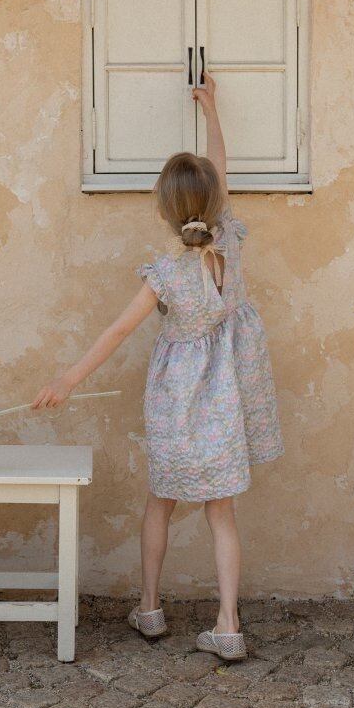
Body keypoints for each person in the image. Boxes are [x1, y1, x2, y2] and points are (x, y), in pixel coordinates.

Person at [31, 73, 283, 660]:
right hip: (227, 393)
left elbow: (118, 331)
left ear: (164, 211)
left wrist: (68, 379)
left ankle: (149, 608)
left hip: (179, 398)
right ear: (215, 202)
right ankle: (228, 624)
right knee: (222, 511)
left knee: (161, 499)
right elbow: (219, 167)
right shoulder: (230, 240)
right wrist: (212, 110)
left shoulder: (165, 274)